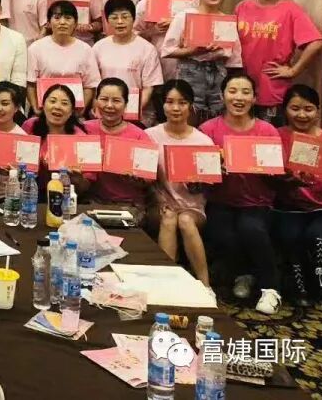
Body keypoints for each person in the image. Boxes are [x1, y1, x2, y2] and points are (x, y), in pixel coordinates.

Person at [201, 72, 283, 314]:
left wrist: (264, 167)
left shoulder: (267, 131)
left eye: (246, 92)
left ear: (255, 98)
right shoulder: (208, 129)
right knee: (224, 233)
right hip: (220, 200)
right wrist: (214, 169)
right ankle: (243, 276)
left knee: (251, 228)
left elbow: (277, 178)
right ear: (222, 95)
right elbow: (200, 171)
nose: (239, 98)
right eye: (232, 91)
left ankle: (271, 289)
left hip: (257, 202)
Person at [235, 0, 322, 125]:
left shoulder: (291, 10)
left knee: (270, 137)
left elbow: (316, 42)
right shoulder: (242, 7)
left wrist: (293, 71)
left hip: (272, 90)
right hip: (241, 88)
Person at [275, 84, 322, 311]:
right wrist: (286, 178)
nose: (302, 115)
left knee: (318, 237)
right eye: (295, 108)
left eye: (308, 109)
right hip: (290, 207)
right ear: (285, 110)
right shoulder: (276, 137)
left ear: (318, 111)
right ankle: (299, 287)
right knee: (290, 236)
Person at [144, 79, 214, 286]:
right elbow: (145, 179)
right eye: (170, 102)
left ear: (190, 106)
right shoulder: (148, 136)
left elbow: (208, 187)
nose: (176, 108)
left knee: (185, 220)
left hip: (192, 206)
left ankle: (205, 285)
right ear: (162, 104)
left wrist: (198, 183)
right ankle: (165, 285)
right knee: (169, 218)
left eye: (182, 103)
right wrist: (157, 199)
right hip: (160, 204)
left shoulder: (203, 141)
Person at [161, 0, 243, 122]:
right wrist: (193, 50)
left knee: (217, 121)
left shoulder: (227, 20)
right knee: (188, 118)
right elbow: (167, 50)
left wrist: (221, 52)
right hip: (191, 73)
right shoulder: (184, 17)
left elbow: (235, 61)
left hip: (219, 76)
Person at [82, 78, 153, 207]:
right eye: (104, 99)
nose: (109, 105)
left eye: (116, 100)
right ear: (96, 101)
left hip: (129, 204)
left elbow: (148, 180)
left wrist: (136, 179)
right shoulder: (84, 129)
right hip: (92, 201)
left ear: (126, 104)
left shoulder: (139, 135)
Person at [93, 0, 164, 121]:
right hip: (105, 112)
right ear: (107, 21)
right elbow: (94, 84)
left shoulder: (147, 49)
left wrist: (131, 111)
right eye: (114, 18)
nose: (120, 22)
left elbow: (148, 88)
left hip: (137, 115)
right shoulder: (98, 47)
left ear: (134, 19)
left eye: (125, 17)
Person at [26, 0, 101, 113]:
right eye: (57, 18)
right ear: (48, 23)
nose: (62, 22)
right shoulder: (36, 48)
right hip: (43, 111)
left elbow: (90, 85)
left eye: (68, 18)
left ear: (75, 23)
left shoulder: (86, 49)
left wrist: (80, 111)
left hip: (75, 111)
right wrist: (36, 108)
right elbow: (31, 83)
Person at [23, 83, 92, 196]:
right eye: (52, 101)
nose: (57, 107)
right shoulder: (29, 126)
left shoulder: (81, 138)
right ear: (43, 105)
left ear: (71, 111)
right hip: (32, 194)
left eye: (64, 103)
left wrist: (77, 180)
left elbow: (86, 186)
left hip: (66, 197)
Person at [134, 0, 195, 79]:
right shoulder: (145, 4)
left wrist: (179, 24)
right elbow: (133, 36)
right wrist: (153, 31)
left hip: (188, 61)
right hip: (156, 60)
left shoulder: (195, 2)